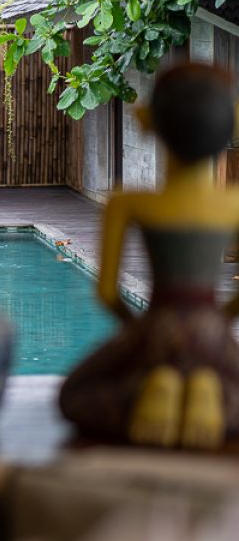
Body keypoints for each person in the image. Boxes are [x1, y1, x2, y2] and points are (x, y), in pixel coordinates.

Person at [60, 62, 239, 449]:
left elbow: (107, 293)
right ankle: (208, 395)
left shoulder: (128, 203)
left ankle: (151, 389)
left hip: (157, 322)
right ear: (231, 123)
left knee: (76, 396)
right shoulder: (235, 205)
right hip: (209, 327)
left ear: (146, 120)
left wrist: (138, 331)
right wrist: (219, 322)